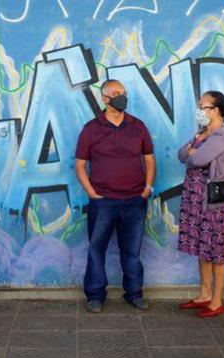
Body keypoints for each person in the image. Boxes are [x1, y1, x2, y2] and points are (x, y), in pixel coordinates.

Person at [75, 79, 156, 313]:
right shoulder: (91, 128)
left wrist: (146, 189)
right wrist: (92, 194)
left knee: (131, 251)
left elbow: (149, 160)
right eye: (117, 93)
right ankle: (95, 295)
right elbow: (80, 165)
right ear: (105, 99)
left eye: (124, 92)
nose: (123, 96)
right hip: (103, 203)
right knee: (96, 250)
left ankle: (134, 293)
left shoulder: (138, 126)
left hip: (134, 202)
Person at [177, 91, 224, 318]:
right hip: (195, 197)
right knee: (203, 247)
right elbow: (182, 154)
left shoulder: (222, 135)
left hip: (212, 199)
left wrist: (193, 153)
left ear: (216, 110)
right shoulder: (202, 133)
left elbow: (197, 159)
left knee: (216, 250)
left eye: (203, 106)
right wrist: (194, 149)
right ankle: (204, 293)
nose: (199, 110)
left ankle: (217, 300)